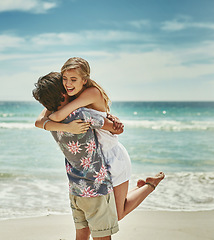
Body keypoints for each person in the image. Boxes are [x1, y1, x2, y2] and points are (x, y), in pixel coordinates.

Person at [37, 57, 165, 221]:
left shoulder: (91, 93)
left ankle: (150, 185)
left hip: (113, 157)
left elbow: (59, 115)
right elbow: (39, 122)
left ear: (84, 80)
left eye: (73, 79)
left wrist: (55, 117)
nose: (68, 83)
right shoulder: (73, 94)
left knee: (116, 215)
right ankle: (141, 186)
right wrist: (65, 126)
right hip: (98, 162)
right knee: (111, 208)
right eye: (64, 79)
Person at [33, 72, 121, 240]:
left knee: (81, 236)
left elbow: (40, 120)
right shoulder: (81, 114)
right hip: (96, 187)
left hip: (75, 188)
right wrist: (108, 117)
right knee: (102, 237)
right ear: (63, 93)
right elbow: (116, 129)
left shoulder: (51, 121)